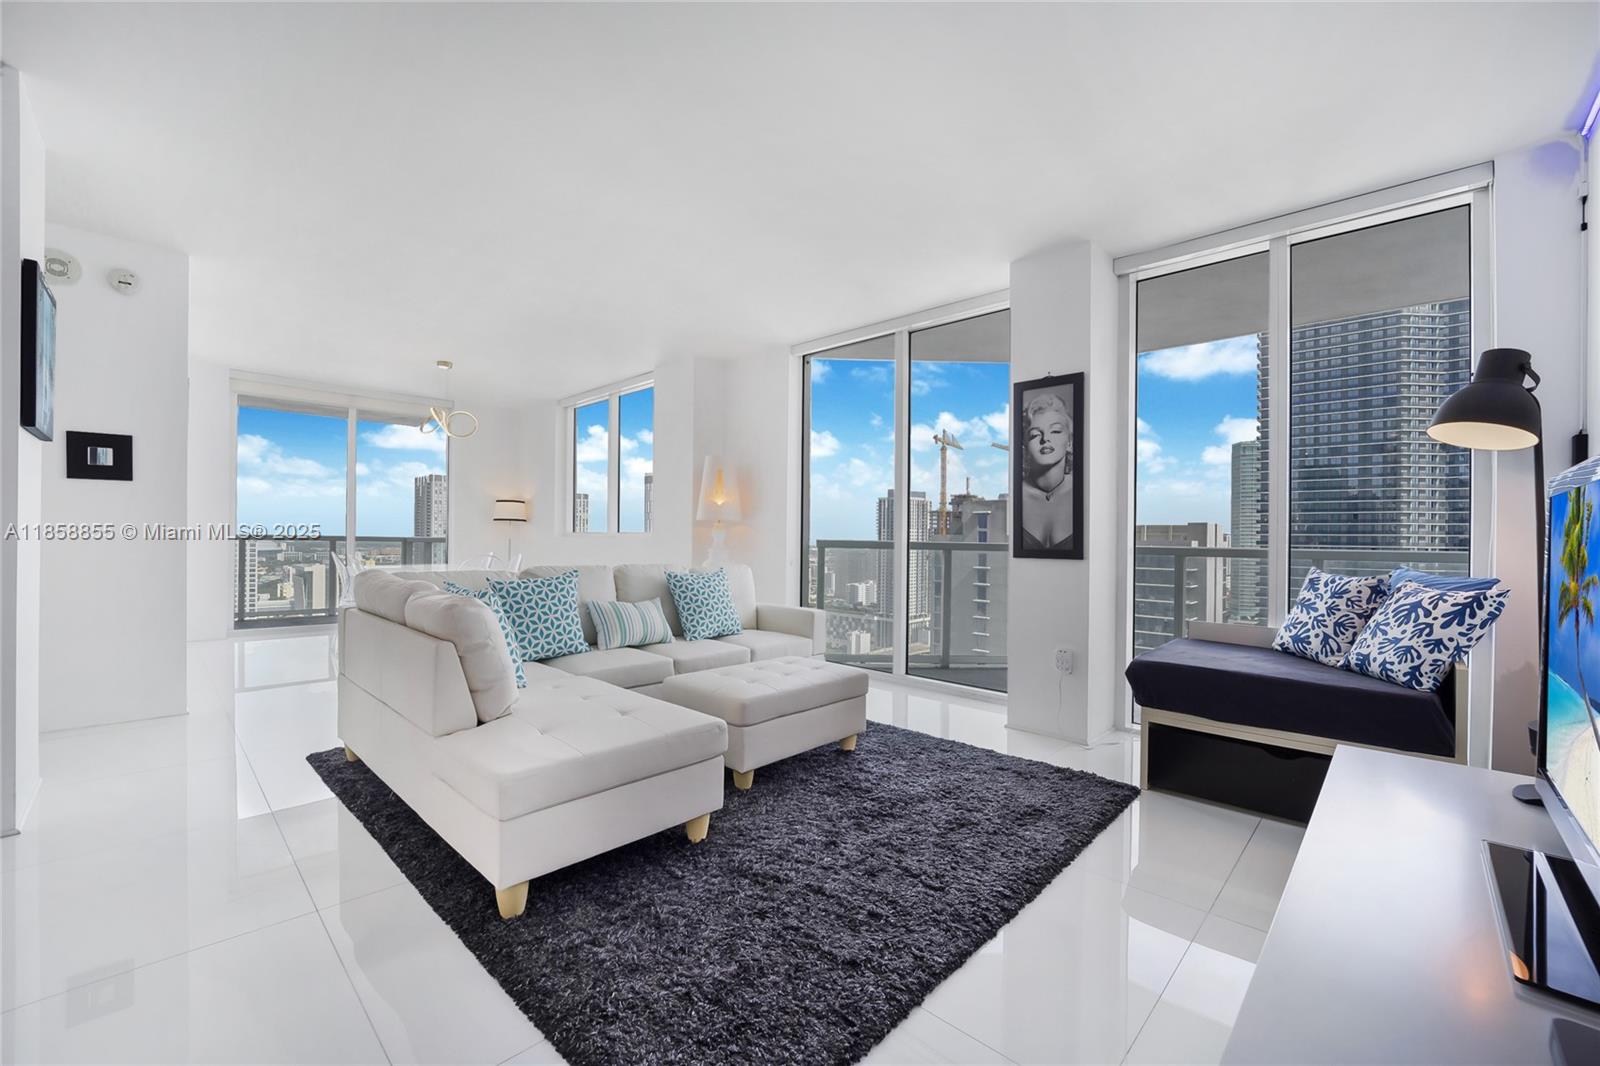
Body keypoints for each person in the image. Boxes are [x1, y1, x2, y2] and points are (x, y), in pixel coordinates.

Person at [1020, 390, 1073, 550]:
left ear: (1070, 442)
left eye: (1055, 431)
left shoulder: (1087, 492)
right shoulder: (1017, 496)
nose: (1045, 439)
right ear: (1026, 446)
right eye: (1035, 434)